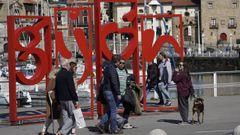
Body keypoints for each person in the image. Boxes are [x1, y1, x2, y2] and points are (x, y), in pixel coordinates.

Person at [96, 54, 123, 134]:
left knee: (110, 110)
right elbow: (114, 81)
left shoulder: (108, 67)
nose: (120, 63)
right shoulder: (112, 69)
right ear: (117, 61)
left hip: (106, 91)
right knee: (114, 110)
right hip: (110, 91)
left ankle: (101, 124)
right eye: (120, 62)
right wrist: (118, 93)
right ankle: (114, 129)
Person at [55, 58, 79, 135]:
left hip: (61, 99)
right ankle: (62, 132)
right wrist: (75, 99)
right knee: (74, 116)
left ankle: (66, 133)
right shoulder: (68, 74)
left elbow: (56, 89)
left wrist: (58, 101)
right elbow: (71, 88)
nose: (69, 66)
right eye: (68, 65)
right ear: (66, 65)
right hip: (68, 98)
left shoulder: (58, 74)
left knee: (65, 117)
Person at [39, 68, 61, 135]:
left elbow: (49, 90)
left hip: (51, 102)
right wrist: (56, 100)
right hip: (54, 102)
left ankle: (44, 131)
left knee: (51, 118)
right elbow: (51, 91)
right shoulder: (54, 80)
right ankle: (61, 131)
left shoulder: (51, 80)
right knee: (59, 117)